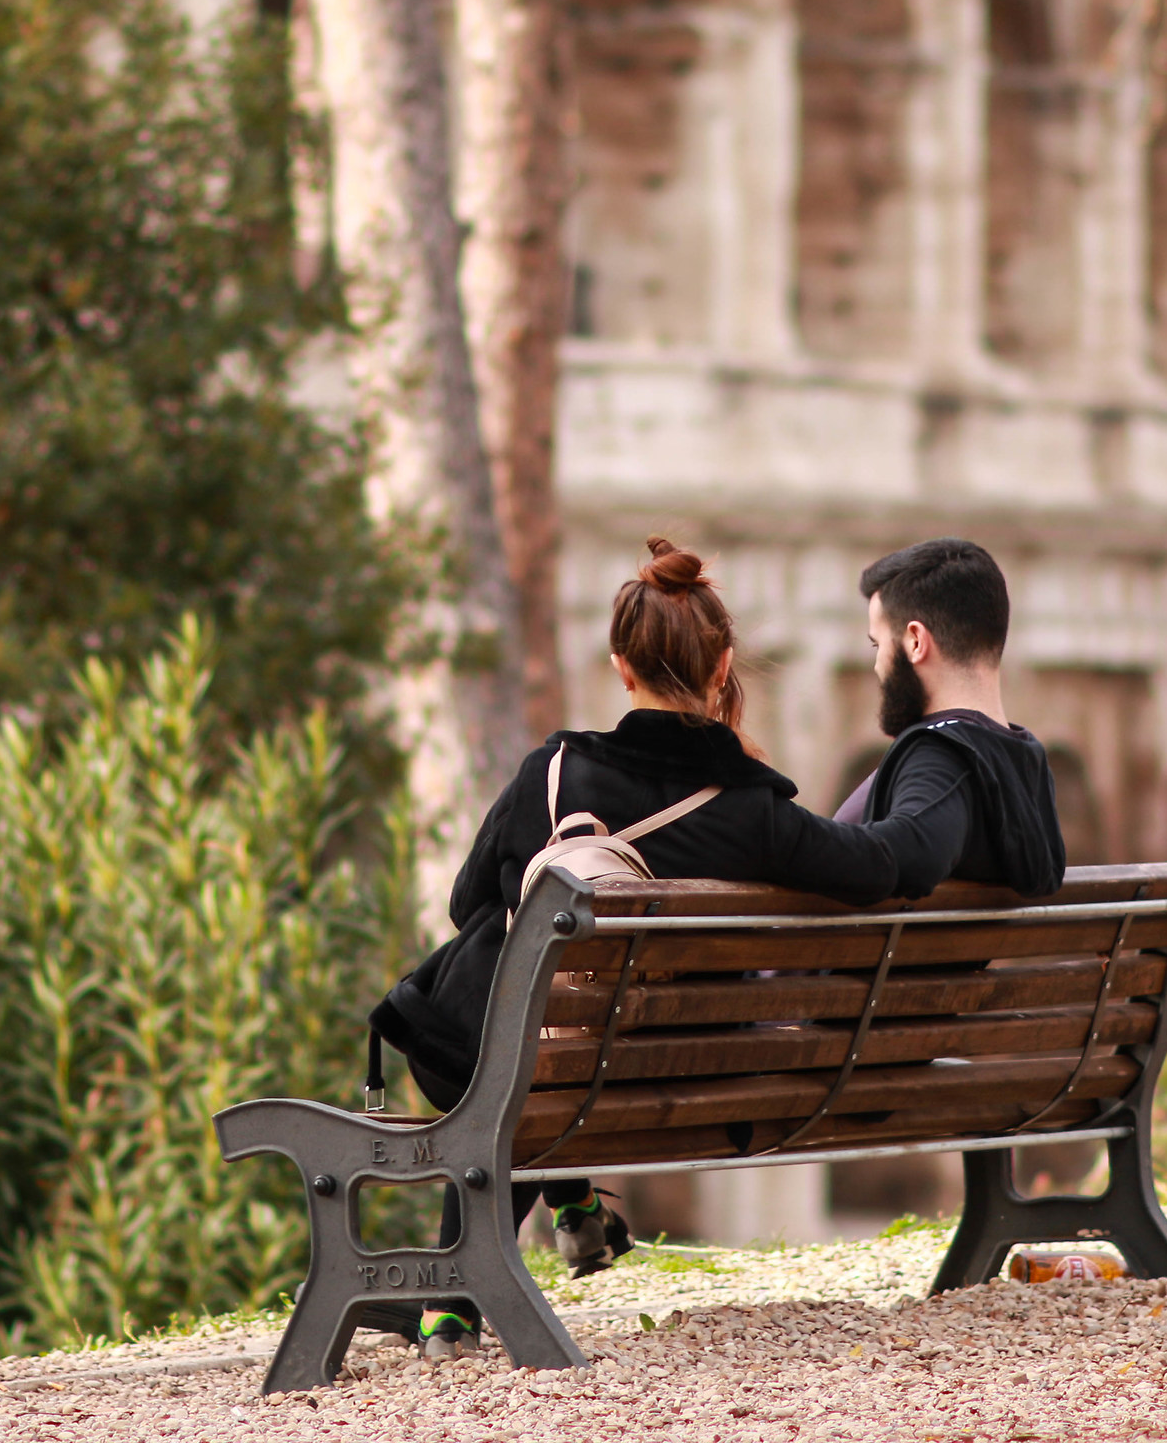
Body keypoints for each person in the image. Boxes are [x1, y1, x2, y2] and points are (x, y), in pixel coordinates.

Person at [368, 537, 901, 1360]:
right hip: (672, 1079)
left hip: (507, 1067)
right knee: (561, 1049)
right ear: (726, 666)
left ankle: (456, 1297)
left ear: (622, 665)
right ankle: (564, 1208)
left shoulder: (551, 773)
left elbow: (464, 903)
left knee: (527, 1038)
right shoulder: (757, 814)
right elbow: (874, 870)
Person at [834, 538, 1067, 898]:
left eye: (877, 645)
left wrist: (783, 835)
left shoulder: (942, 755)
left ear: (915, 641)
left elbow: (915, 852)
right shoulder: (1023, 762)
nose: (877, 666)